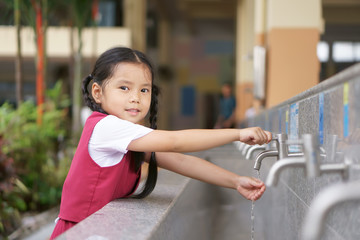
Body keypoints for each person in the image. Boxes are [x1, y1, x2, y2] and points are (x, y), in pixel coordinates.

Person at [50, 47, 272, 239]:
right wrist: (237, 134)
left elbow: (181, 161)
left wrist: (236, 181)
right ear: (98, 92)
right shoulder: (106, 127)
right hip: (79, 233)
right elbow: (175, 142)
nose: (136, 97)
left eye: (144, 89)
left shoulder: (129, 137)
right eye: (124, 88)